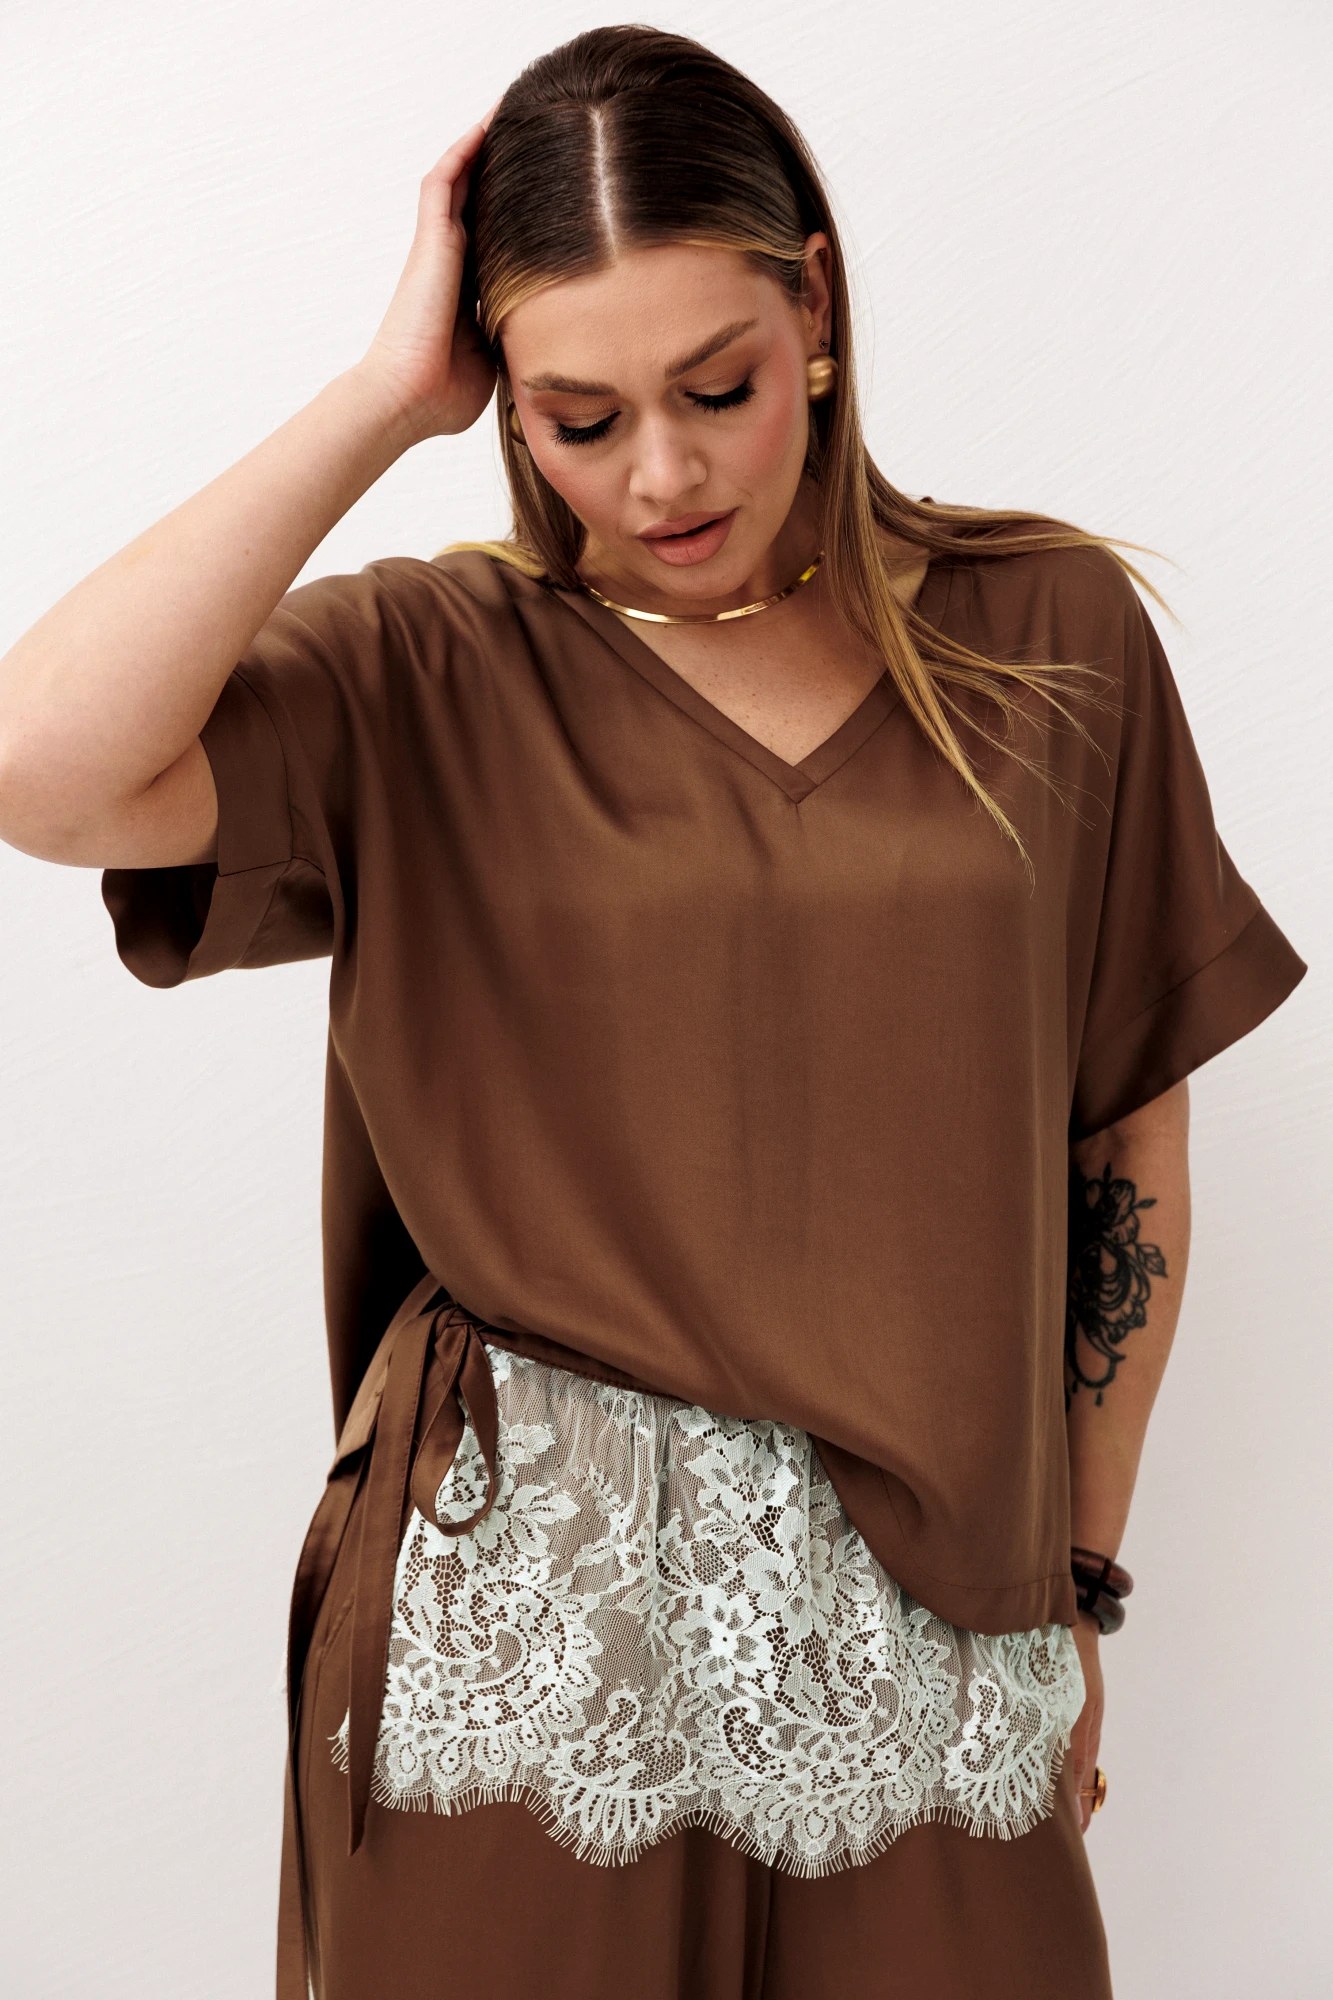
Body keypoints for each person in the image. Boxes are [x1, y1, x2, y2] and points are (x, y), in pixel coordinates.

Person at [0, 24, 1306, 2000]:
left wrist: (1078, 1582)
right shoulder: (431, 667)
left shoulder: (1049, 633)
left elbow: (1122, 1131)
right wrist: (380, 399)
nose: (664, 473)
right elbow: (45, 767)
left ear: (818, 314)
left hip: (938, 1612)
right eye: (579, 415)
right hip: (532, 1630)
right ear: (502, 398)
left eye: (718, 386)